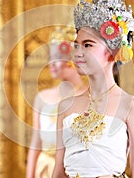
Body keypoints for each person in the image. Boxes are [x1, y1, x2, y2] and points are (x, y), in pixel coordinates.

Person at [52, 0, 134, 178]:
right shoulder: (65, 107)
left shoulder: (131, 106)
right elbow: (58, 172)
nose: (77, 52)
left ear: (113, 51)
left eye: (87, 45)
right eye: (76, 45)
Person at [26, 27, 87, 178]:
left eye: (57, 57)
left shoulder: (90, 96)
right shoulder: (42, 98)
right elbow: (36, 142)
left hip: (77, 170)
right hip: (45, 170)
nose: (51, 63)